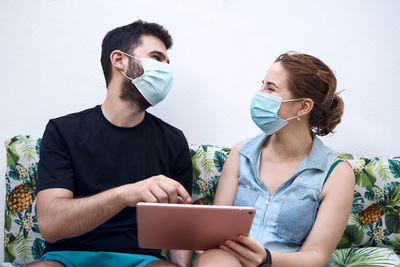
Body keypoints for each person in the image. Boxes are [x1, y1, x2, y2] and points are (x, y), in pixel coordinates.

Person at [31, 20, 193, 267]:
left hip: (143, 260)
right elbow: (51, 226)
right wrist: (124, 195)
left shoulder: (173, 140)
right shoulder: (62, 131)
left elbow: (177, 225)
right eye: (156, 58)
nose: (165, 70)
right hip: (67, 258)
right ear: (119, 60)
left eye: (167, 63)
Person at [194, 52, 355, 267]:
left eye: (270, 88)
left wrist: (265, 258)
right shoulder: (241, 153)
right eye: (262, 85)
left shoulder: (336, 173)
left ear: (303, 107)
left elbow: (316, 256)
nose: (259, 94)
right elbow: (217, 233)